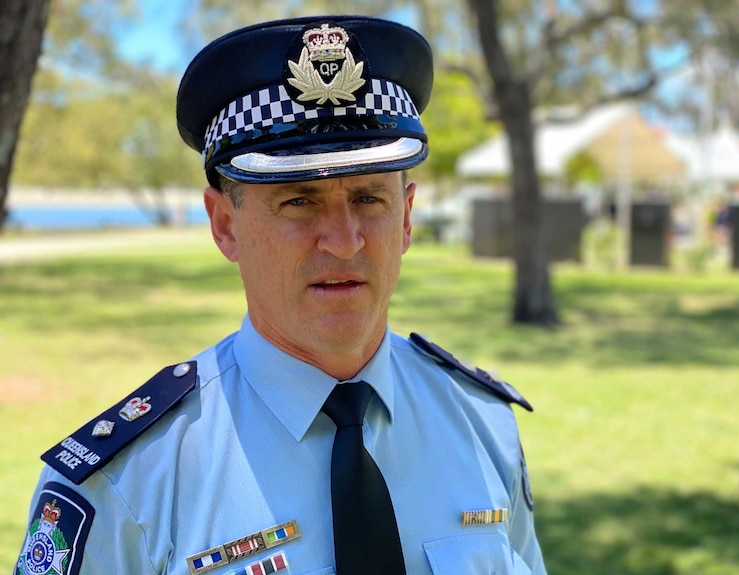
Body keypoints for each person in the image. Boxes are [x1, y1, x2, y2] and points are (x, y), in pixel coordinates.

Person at [14, 15, 546, 575]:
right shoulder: (128, 483)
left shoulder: (483, 425)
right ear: (225, 225)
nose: (344, 242)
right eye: (299, 201)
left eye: (369, 198)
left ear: (407, 218)